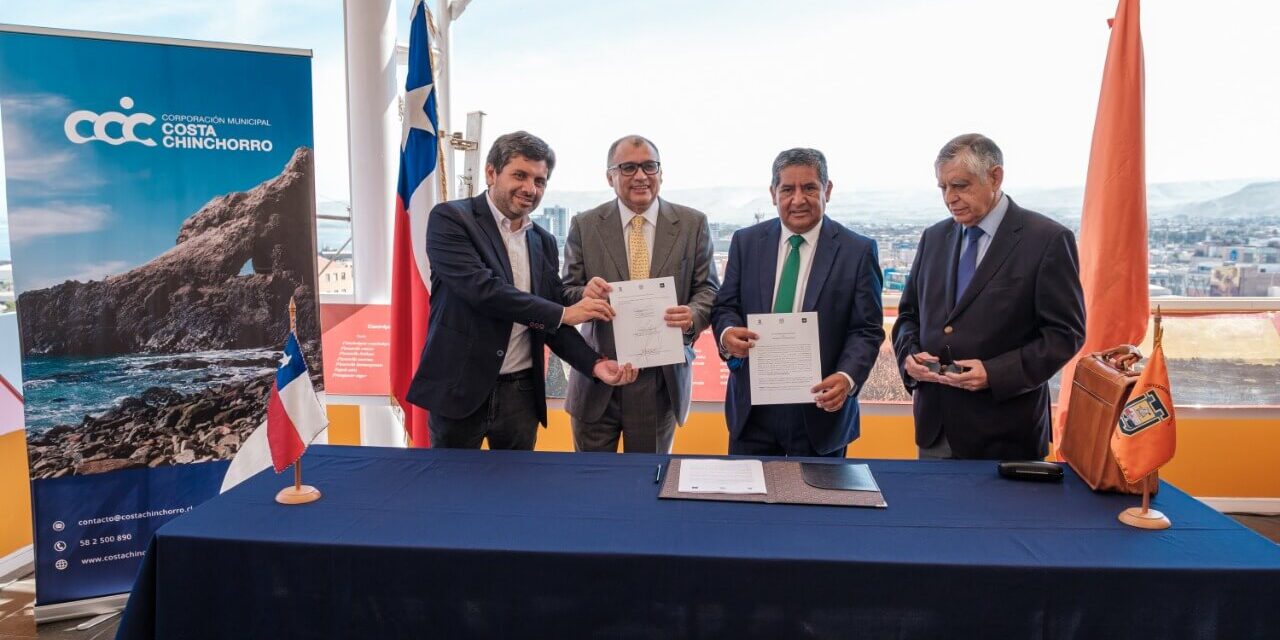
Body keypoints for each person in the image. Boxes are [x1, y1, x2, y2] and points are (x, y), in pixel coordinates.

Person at [406, 131, 637, 450]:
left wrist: (595, 363)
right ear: (491, 172)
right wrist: (565, 313)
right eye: (520, 175)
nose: (530, 188)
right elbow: (483, 291)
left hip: (521, 396)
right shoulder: (451, 219)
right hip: (459, 388)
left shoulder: (543, 241)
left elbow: (548, 321)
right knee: (451, 481)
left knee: (517, 482)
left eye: (540, 181)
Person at [892, 133, 1086, 460]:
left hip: (1006, 432)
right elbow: (908, 316)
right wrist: (909, 357)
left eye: (960, 185)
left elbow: (1065, 335)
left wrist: (995, 374)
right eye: (943, 187)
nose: (950, 198)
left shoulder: (1047, 240)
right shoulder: (933, 237)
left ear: (995, 177)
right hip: (935, 428)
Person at [711, 148, 884, 457]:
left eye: (809, 188)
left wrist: (847, 378)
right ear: (773, 193)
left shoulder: (858, 251)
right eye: (787, 189)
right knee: (748, 490)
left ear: (827, 190)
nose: (798, 199)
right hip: (752, 413)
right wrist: (727, 335)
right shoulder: (745, 242)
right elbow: (725, 306)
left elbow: (866, 329)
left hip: (821, 412)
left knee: (818, 491)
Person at [562, 135, 720, 453]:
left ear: (661, 173)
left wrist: (692, 314)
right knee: (591, 477)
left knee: (649, 478)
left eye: (649, 166)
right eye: (628, 167)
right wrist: (584, 294)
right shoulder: (584, 225)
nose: (640, 176)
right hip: (599, 373)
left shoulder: (693, 224)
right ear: (610, 177)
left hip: (660, 381)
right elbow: (565, 291)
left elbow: (708, 289)